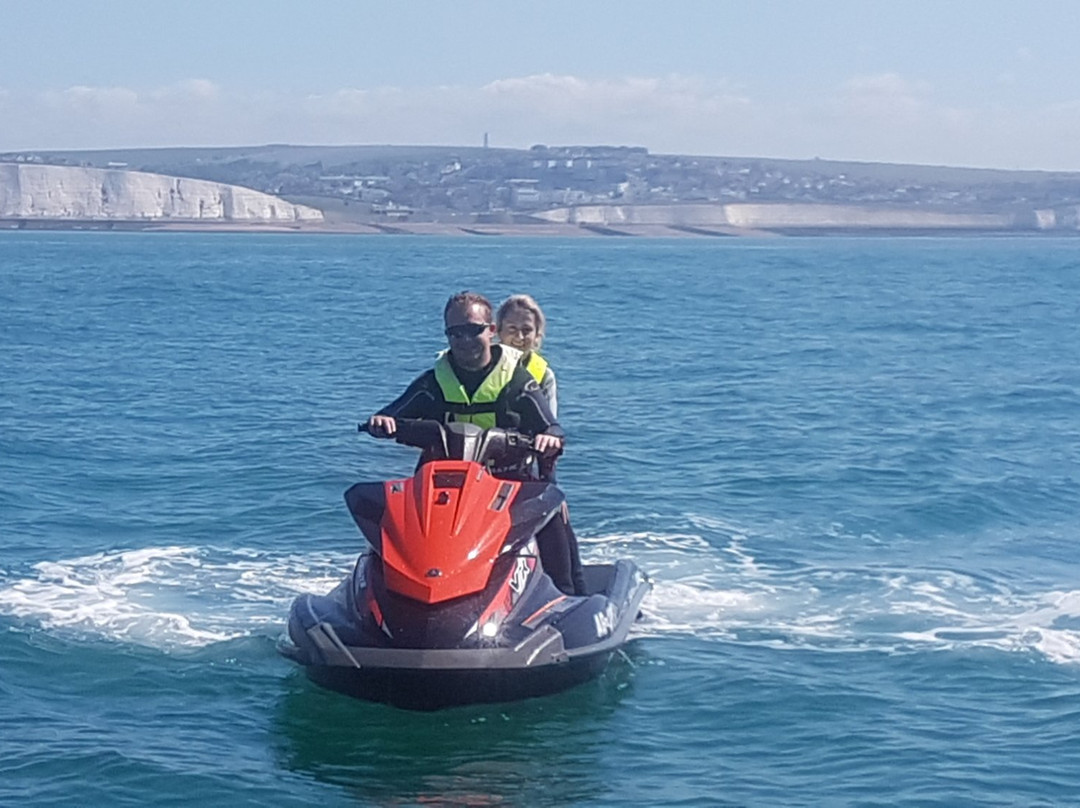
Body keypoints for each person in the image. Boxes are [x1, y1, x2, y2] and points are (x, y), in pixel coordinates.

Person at [366, 291, 585, 595]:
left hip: (508, 481)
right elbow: (393, 412)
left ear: (490, 331)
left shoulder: (518, 381)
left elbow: (550, 424)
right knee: (395, 522)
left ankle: (569, 593)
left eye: (474, 331)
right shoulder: (434, 381)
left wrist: (550, 437)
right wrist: (383, 423)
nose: (465, 340)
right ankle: (387, 593)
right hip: (445, 485)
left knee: (549, 511)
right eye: (456, 333)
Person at [496, 294, 557, 417]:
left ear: (537, 335)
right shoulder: (482, 365)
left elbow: (550, 426)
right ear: (498, 331)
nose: (519, 337)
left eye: (526, 330)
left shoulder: (545, 377)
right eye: (512, 329)